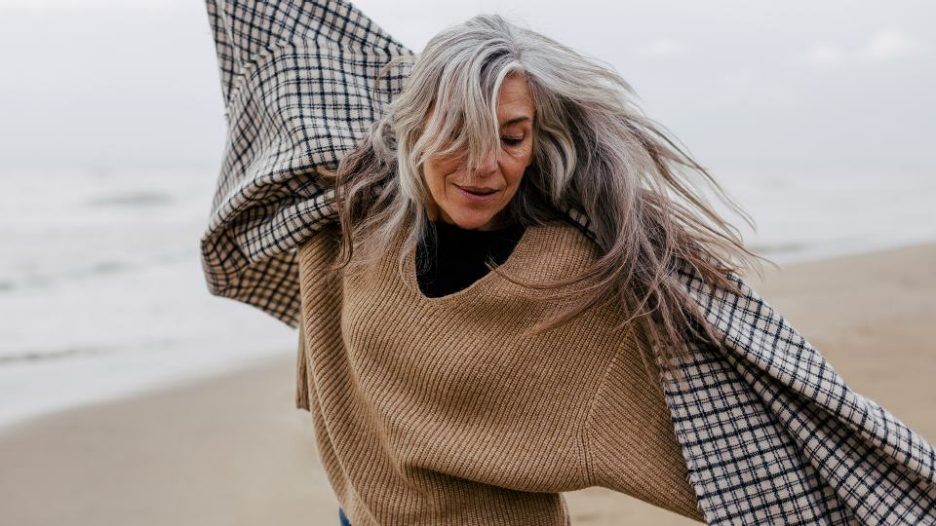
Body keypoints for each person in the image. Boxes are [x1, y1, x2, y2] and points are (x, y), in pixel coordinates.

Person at [202, 1, 936, 524]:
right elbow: (271, 30)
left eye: (512, 136)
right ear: (414, 124)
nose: (485, 164)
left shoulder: (566, 272)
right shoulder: (345, 221)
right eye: (459, 132)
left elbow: (733, 419)